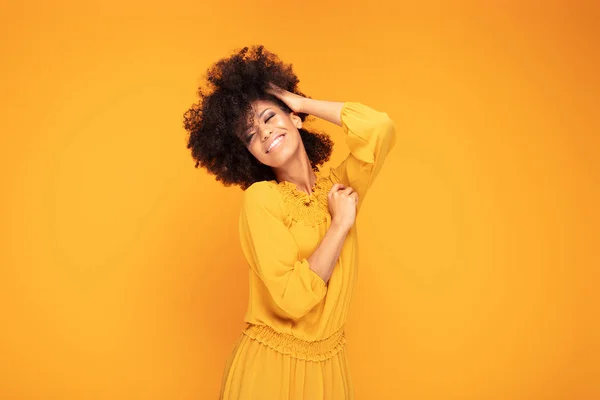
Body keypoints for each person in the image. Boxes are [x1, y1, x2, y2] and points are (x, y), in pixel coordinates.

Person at [183, 45, 396, 399]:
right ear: (248, 153)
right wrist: (339, 225)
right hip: (270, 370)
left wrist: (300, 102)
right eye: (250, 135)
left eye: (269, 117)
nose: (264, 133)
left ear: (295, 119)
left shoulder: (340, 186)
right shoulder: (261, 199)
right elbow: (293, 299)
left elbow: (379, 128)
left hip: (328, 367)